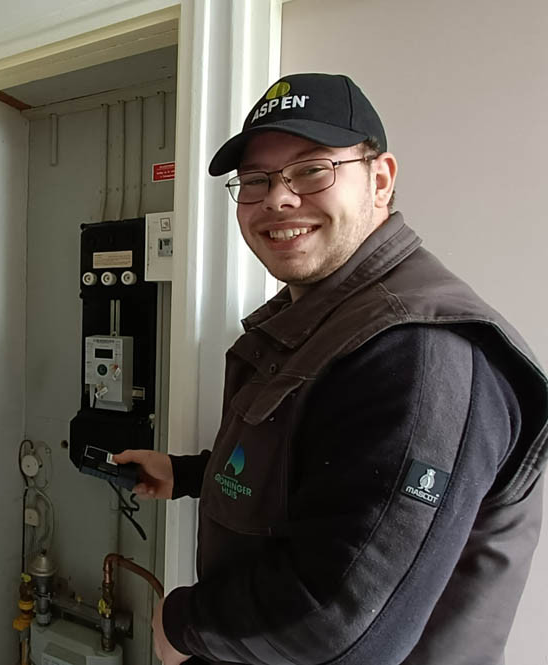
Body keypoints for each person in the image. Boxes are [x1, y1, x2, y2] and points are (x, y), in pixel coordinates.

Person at [115, 73, 548, 664]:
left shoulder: (417, 351)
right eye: (256, 181)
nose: (277, 199)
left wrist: (182, 623)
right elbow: (321, 474)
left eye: (312, 169)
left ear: (380, 179)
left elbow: (342, 621)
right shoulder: (323, 319)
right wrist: (189, 473)